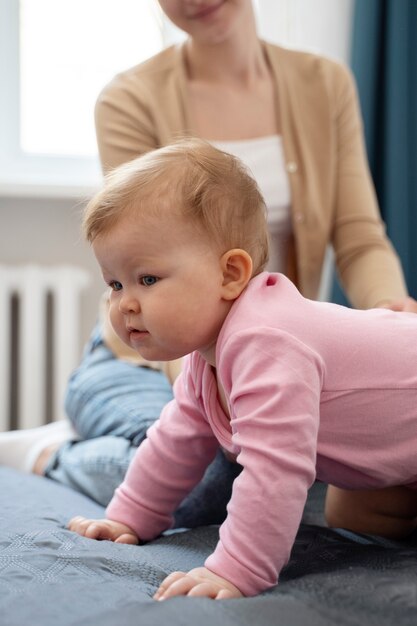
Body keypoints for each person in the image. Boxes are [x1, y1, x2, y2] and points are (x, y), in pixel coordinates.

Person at [1, 0, 417, 526]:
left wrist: (389, 308)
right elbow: (136, 255)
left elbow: (359, 237)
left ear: (235, 272)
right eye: (112, 285)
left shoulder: (324, 83)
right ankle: (50, 455)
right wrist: (223, 392)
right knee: (208, 477)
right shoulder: (130, 98)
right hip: (148, 354)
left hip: (243, 350)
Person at [69, 139, 417, 600]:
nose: (123, 303)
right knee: (356, 518)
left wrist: (236, 568)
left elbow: (275, 469)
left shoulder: (266, 341)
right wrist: (127, 517)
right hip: (390, 449)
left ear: (230, 274)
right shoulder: (204, 359)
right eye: (114, 283)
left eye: (147, 279)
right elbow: (174, 442)